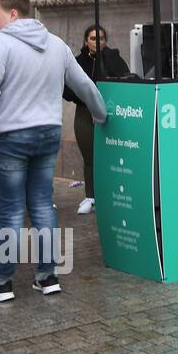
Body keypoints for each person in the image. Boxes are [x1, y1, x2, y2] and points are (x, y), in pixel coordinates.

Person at [0, 0, 107, 301]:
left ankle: (2, 281)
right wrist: (101, 115)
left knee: (10, 210)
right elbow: (83, 84)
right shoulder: (56, 44)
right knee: (43, 205)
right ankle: (47, 276)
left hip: (6, 137)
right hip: (47, 134)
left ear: (13, 14)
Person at [63, 24, 129, 214]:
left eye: (100, 38)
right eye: (93, 38)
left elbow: (125, 81)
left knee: (113, 155)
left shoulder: (113, 58)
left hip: (111, 112)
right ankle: (91, 197)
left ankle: (113, 194)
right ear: (86, 41)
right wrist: (89, 104)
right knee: (90, 156)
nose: (97, 42)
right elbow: (68, 88)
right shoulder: (78, 61)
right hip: (85, 113)